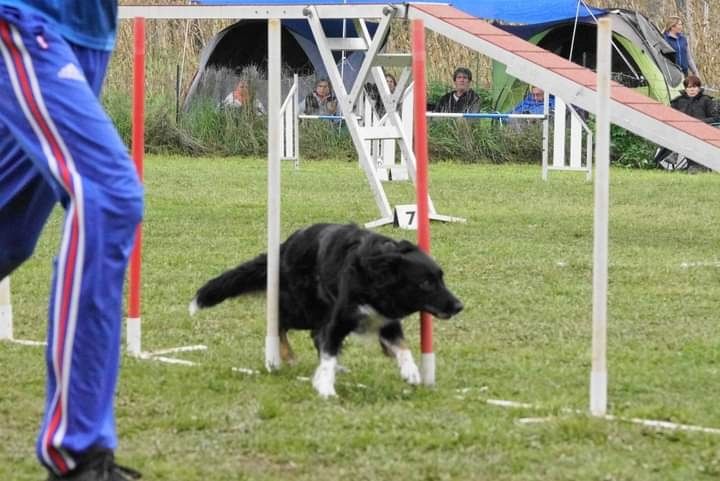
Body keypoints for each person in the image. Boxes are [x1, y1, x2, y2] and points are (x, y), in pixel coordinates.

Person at [0, 2, 143, 480]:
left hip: (89, 34)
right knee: (110, 196)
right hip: (25, 18)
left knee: (8, 233)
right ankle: (76, 453)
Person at [655, 75, 718, 172]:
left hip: (702, 132)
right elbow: (669, 117)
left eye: (694, 87)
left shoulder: (707, 101)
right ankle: (669, 156)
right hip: (681, 131)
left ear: (699, 88)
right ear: (685, 89)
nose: (692, 90)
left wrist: (698, 122)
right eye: (689, 87)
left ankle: (693, 164)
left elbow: (715, 118)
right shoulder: (677, 101)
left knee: (692, 139)